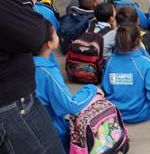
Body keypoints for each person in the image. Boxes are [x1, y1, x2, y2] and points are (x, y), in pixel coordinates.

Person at [0, 0, 65, 153]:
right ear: (50, 42)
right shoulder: (49, 72)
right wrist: (25, 3)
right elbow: (33, 34)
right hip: (12, 105)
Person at [34, 20, 101, 152]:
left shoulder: (26, 64)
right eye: (55, 34)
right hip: (52, 132)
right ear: (49, 43)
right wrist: (91, 89)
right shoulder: (47, 72)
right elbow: (70, 104)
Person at [102, 23, 150, 123]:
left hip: (115, 112)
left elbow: (105, 89)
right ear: (139, 41)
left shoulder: (110, 61)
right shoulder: (145, 63)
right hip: (140, 113)